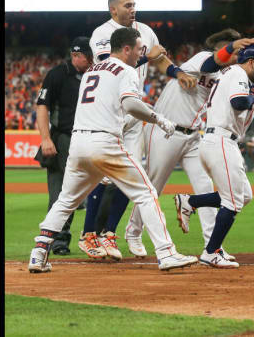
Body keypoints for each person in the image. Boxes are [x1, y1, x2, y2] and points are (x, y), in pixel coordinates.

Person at [28, 27, 198, 273]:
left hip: (78, 144)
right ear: (126, 48)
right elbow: (130, 104)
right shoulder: (126, 70)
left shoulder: (91, 70)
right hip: (104, 143)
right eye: (139, 49)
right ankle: (167, 253)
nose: (141, 54)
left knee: (65, 200)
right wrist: (159, 119)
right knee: (147, 192)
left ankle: (39, 253)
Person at [79, 0, 197, 260]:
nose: (133, 8)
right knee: (104, 175)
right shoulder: (102, 33)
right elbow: (108, 65)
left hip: (134, 112)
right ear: (113, 10)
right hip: (111, 111)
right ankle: (88, 235)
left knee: (130, 175)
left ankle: (109, 235)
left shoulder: (144, 30)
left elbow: (159, 58)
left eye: (134, 4)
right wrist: (148, 55)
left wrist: (177, 72)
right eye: (127, 5)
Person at [125, 29, 254, 261]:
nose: (239, 56)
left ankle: (212, 247)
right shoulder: (203, 57)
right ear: (223, 49)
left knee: (205, 187)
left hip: (195, 135)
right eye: (236, 51)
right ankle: (133, 232)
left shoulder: (230, 75)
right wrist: (230, 47)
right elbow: (208, 66)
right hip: (166, 129)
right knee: (153, 185)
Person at [173, 41, 254, 269]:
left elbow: (243, 102)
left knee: (243, 195)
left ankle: (190, 201)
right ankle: (211, 252)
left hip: (218, 141)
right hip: (221, 141)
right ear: (250, 62)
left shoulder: (234, 75)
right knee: (232, 202)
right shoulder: (238, 73)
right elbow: (239, 102)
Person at [34, 37, 93, 256]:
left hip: (90, 139)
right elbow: (42, 106)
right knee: (59, 193)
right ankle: (57, 241)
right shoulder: (57, 74)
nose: (92, 60)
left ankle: (96, 237)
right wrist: (46, 138)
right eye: (88, 56)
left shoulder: (94, 73)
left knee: (90, 193)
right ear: (76, 55)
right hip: (63, 138)